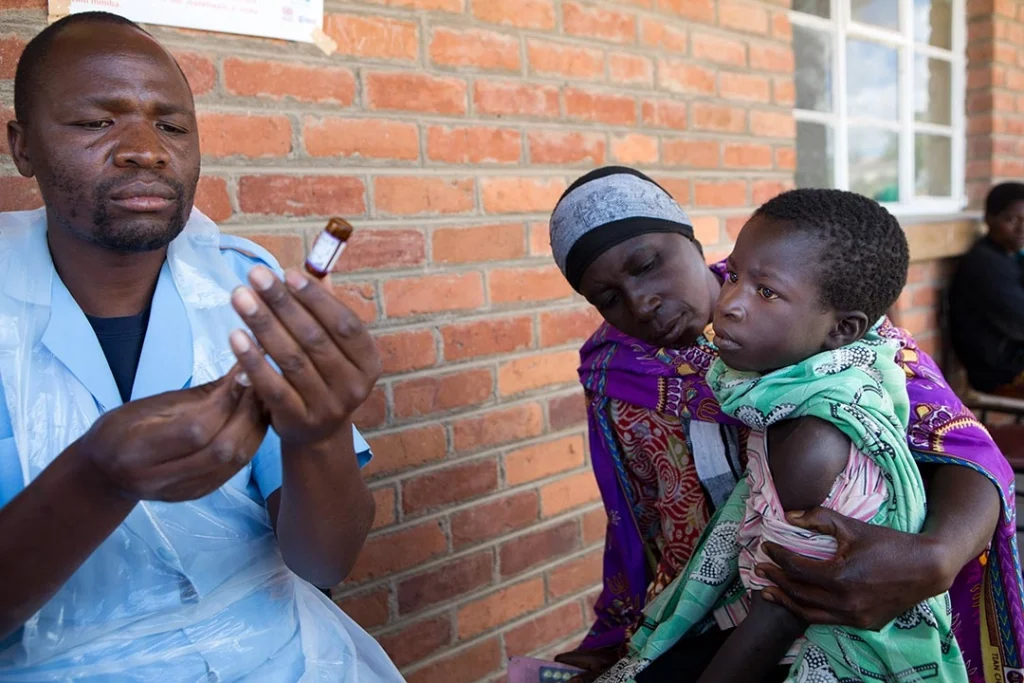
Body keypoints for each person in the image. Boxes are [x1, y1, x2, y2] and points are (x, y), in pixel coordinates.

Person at [0, 12, 402, 682]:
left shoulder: (245, 287)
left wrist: (319, 434)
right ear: (22, 147)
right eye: (97, 122)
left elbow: (326, 562)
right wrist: (98, 474)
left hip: (283, 657)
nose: (144, 148)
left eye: (172, 125)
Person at [548, 167, 1021, 682]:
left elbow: (960, 446)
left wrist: (937, 555)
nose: (641, 301)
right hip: (699, 615)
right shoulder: (614, 368)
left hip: (839, 607)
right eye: (608, 298)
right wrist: (617, 637)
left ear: (690, 238)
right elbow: (630, 518)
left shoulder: (810, 309)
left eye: (646, 264)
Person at [949, 182, 1024, 396]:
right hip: (1000, 370)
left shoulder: (1010, 256)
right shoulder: (985, 265)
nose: (1021, 229)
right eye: (1011, 220)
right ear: (989, 219)